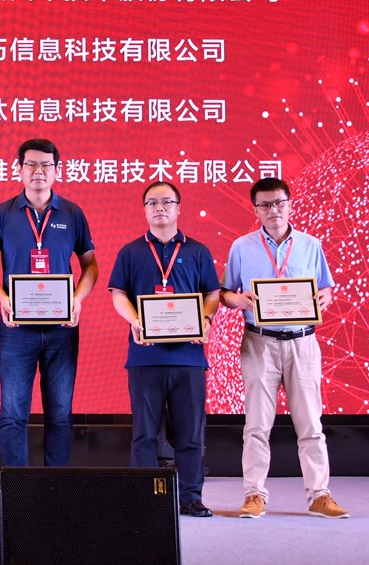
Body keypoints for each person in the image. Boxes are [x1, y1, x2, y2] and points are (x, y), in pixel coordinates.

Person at [221, 177, 349, 520]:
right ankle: (254, 494)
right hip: (259, 341)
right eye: (265, 205)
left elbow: (326, 288)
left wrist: (325, 297)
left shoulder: (310, 245)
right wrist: (239, 299)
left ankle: (320, 495)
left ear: (290, 205)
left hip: (302, 342)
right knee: (256, 425)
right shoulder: (242, 247)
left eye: (279, 202)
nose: (273, 210)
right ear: (256, 210)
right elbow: (225, 293)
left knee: (311, 425)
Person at [0, 138, 98, 467]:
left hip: (62, 328)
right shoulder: (3, 213)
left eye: (46, 164)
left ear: (57, 170)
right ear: (19, 170)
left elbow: (90, 265)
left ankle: (54, 486)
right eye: (30, 164)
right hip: (17, 329)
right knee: (13, 412)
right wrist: (2, 298)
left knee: (60, 412)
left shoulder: (72, 213)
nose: (38, 171)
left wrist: (77, 299)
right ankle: (17, 487)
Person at [108, 181, 221, 518]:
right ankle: (146, 499)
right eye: (152, 202)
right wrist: (135, 321)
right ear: (144, 210)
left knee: (190, 435)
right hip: (145, 356)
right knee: (144, 434)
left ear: (178, 208)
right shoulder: (130, 252)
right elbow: (119, 295)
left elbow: (212, 294)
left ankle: (190, 497)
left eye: (166, 202)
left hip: (189, 357)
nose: (159, 207)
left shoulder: (197, 251)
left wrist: (205, 319)